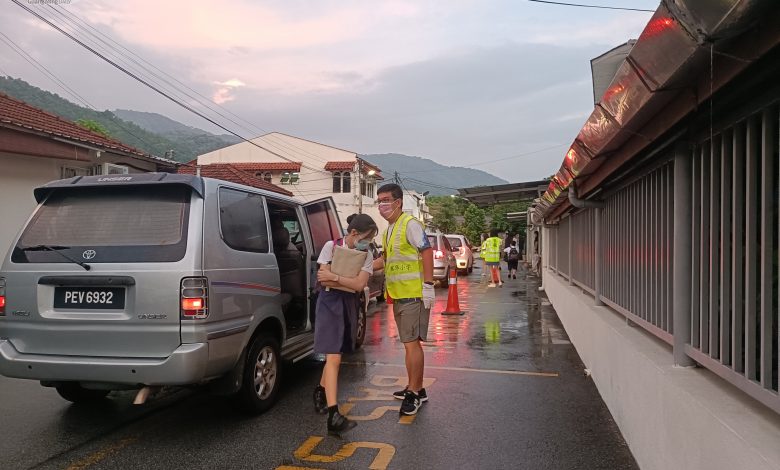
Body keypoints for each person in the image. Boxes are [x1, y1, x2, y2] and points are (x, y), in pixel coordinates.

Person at [312, 213, 378, 436]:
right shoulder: (331, 246)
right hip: (329, 303)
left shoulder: (366, 255)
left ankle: (321, 391)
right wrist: (338, 280)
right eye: (367, 238)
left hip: (349, 303)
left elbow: (359, 286)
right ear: (353, 233)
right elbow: (322, 278)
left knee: (337, 352)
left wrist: (337, 278)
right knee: (334, 357)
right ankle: (334, 414)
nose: (367, 243)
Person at [376, 183, 434, 416]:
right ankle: (414, 387)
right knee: (408, 344)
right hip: (398, 295)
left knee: (412, 344)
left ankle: (415, 392)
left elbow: (427, 251)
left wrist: (428, 285)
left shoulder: (410, 225)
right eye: (379, 200)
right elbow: (385, 261)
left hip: (414, 294)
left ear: (398, 202)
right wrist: (359, 264)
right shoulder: (389, 230)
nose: (382, 205)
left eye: (386, 200)